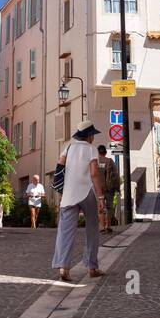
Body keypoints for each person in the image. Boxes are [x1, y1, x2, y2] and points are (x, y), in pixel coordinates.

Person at [52, 120, 107, 283]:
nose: (93, 138)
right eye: (92, 135)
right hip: (86, 192)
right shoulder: (91, 150)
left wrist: (63, 190)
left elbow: (59, 168)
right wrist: (101, 197)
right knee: (92, 227)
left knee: (65, 231)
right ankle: (92, 267)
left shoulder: (68, 147)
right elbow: (95, 174)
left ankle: (63, 267)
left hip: (69, 195)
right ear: (89, 136)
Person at [96, 145, 119, 232]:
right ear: (105, 152)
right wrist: (117, 187)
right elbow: (116, 175)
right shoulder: (109, 161)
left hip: (98, 189)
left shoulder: (95, 162)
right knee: (110, 207)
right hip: (109, 188)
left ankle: (102, 226)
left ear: (98, 153)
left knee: (100, 207)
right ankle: (108, 226)